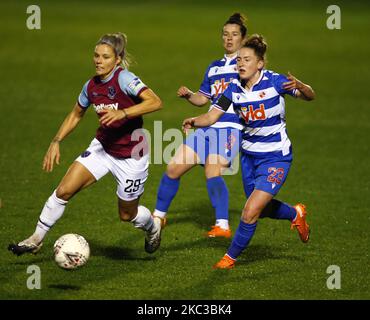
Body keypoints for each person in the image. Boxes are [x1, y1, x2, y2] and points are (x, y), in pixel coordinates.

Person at [8, 32, 163, 256]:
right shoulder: (91, 86)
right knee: (63, 191)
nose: (99, 61)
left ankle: (153, 227)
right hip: (103, 147)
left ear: (117, 59)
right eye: (96, 55)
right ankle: (36, 239)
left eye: (105, 57)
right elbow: (76, 113)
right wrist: (56, 140)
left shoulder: (125, 79)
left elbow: (156, 102)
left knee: (127, 215)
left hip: (132, 156)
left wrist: (123, 113)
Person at [182, 34, 315, 269]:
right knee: (260, 210)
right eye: (239, 60)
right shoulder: (233, 88)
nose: (240, 64)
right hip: (249, 158)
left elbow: (309, 96)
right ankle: (295, 214)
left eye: (246, 59)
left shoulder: (275, 82)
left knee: (250, 211)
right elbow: (212, 115)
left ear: (260, 63)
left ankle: (229, 258)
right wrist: (194, 121)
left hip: (276, 156)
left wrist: (301, 86)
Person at [153, 13, 247, 238]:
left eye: (234, 35)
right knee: (173, 167)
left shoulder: (245, 66)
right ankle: (158, 217)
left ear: (243, 39)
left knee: (212, 170)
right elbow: (203, 99)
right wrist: (189, 96)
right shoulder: (214, 67)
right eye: (225, 34)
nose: (229, 39)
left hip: (230, 129)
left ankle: (222, 226)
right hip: (207, 127)